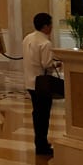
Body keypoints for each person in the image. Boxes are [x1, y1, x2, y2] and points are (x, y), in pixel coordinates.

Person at [23, 11, 59, 156]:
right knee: (43, 115)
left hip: (30, 82)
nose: (51, 27)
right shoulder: (45, 43)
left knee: (37, 114)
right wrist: (57, 65)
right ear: (45, 26)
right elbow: (46, 64)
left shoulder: (28, 38)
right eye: (50, 24)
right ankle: (42, 145)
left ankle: (40, 142)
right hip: (42, 84)